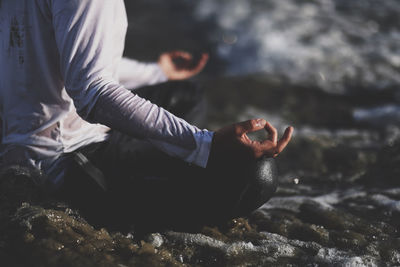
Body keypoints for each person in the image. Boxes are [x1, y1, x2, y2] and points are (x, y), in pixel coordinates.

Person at [0, 0, 293, 229]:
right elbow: (92, 93)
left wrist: (156, 72)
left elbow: (67, 58)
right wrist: (204, 145)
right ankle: (124, 212)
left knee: (184, 94)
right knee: (256, 175)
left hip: (20, 148)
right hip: (68, 164)